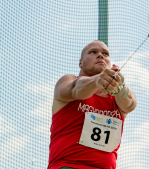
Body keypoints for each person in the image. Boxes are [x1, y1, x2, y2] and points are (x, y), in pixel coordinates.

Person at [48, 40, 137, 169]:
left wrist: (121, 88)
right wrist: (97, 79)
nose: (100, 55)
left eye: (105, 54)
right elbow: (75, 89)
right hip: (68, 166)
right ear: (80, 62)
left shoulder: (117, 97)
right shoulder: (69, 80)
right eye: (93, 52)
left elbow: (130, 104)